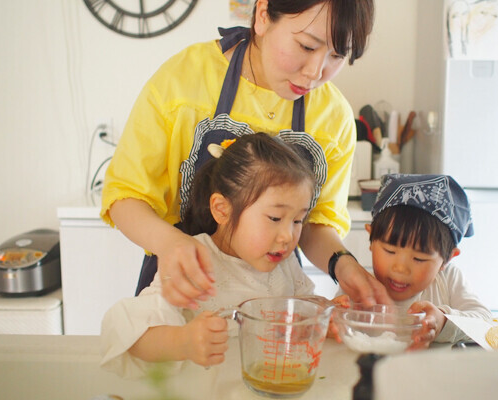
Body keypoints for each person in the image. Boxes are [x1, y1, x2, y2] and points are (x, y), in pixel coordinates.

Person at [100, 0, 388, 311]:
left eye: (337, 55)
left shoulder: (333, 118)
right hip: (184, 287)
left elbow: (316, 223)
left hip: (273, 296)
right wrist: (172, 245)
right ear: (263, 16)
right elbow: (125, 197)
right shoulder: (183, 81)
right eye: (306, 46)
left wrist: (342, 264)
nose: (315, 73)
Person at [101, 133, 328, 377]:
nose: (287, 236)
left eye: (297, 220)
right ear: (222, 209)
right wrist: (183, 342)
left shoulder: (285, 263)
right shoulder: (195, 261)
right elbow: (124, 331)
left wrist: (324, 314)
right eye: (275, 218)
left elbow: (304, 307)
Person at [361, 174, 491, 349]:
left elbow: (484, 322)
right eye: (390, 251)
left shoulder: (448, 280)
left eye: (419, 258)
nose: (400, 268)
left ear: (447, 259)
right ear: (371, 238)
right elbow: (333, 320)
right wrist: (334, 318)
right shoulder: (360, 285)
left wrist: (443, 321)